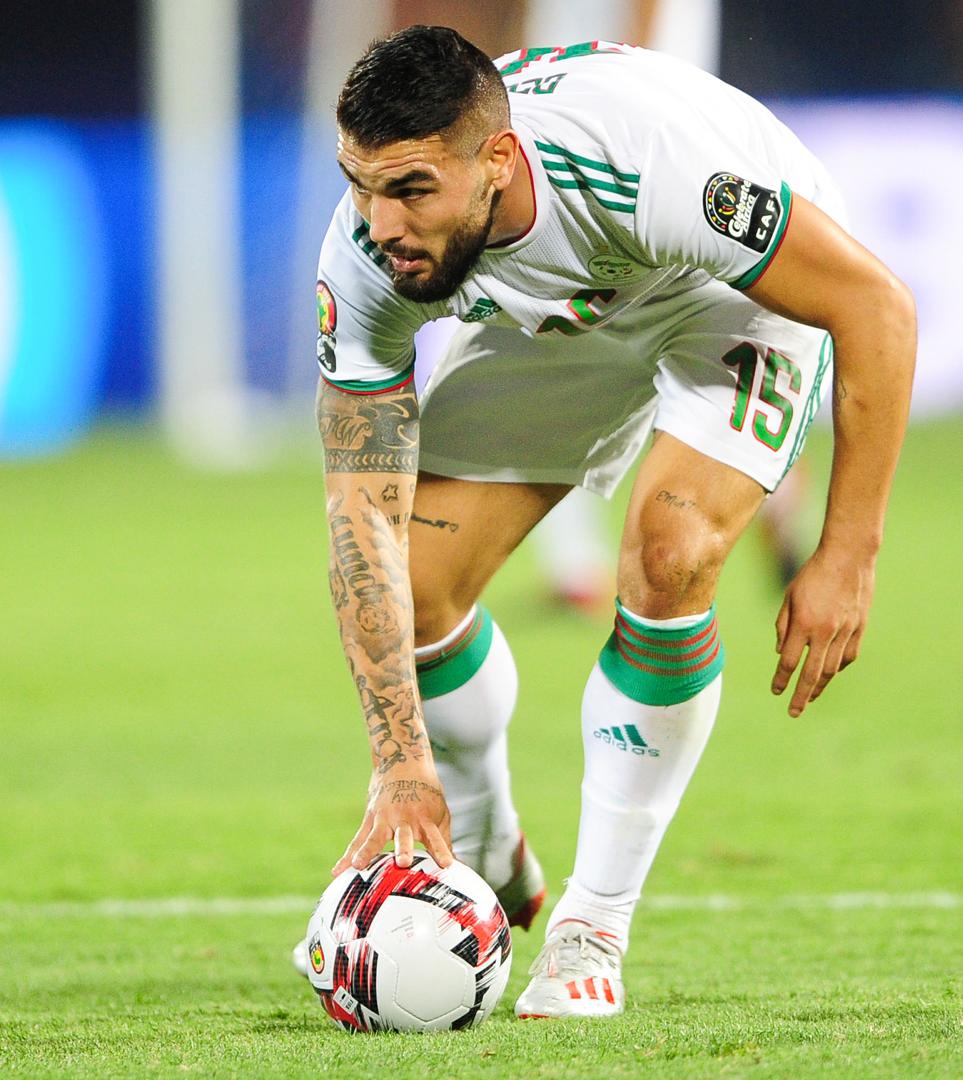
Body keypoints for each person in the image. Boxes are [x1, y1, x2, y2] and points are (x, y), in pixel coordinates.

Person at [312, 27, 914, 1018]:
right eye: (361, 186)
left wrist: (847, 550)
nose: (382, 223)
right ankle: (484, 829)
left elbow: (878, 308)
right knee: (415, 583)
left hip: (725, 292)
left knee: (670, 553)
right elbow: (358, 523)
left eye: (412, 188)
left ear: (497, 162)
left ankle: (593, 925)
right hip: (570, 312)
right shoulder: (368, 255)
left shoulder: (653, 166)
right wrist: (399, 762)